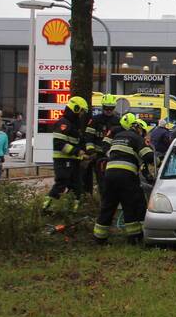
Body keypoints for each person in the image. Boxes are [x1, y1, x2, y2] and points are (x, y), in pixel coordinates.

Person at [93, 113, 154, 245]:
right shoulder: (137, 138)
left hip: (109, 176)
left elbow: (107, 150)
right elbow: (149, 157)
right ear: (139, 129)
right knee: (129, 206)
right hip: (126, 177)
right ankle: (134, 238)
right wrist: (158, 159)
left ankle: (99, 238)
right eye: (143, 132)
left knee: (108, 206)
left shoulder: (118, 136)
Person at [43, 96, 89, 209]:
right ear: (76, 108)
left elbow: (78, 142)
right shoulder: (63, 123)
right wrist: (78, 152)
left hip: (73, 160)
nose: (82, 114)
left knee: (77, 187)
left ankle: (72, 211)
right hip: (63, 160)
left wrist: (87, 152)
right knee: (61, 184)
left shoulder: (75, 124)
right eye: (82, 111)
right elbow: (59, 144)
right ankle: (47, 208)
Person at [82, 93, 121, 195]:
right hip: (98, 156)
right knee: (101, 181)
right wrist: (90, 150)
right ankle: (103, 200)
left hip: (112, 156)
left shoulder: (118, 121)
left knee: (113, 180)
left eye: (111, 108)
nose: (108, 110)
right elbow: (88, 136)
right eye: (106, 108)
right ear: (103, 107)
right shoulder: (95, 120)